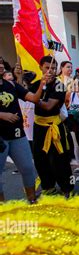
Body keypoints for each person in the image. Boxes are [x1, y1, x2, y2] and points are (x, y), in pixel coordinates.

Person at [30, 56, 74, 197]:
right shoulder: (36, 83)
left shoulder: (60, 85)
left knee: (60, 159)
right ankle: (48, 187)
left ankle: (67, 188)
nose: (51, 71)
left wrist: (34, 98)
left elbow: (49, 106)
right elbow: (22, 94)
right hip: (38, 126)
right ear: (40, 67)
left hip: (55, 127)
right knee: (40, 158)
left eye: (54, 68)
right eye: (47, 67)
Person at [0, 72, 44, 203]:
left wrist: (42, 83)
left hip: (17, 135)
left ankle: (32, 200)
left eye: (1, 62)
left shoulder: (12, 85)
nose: (1, 65)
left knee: (27, 168)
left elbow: (35, 99)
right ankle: (3, 209)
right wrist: (2, 115)